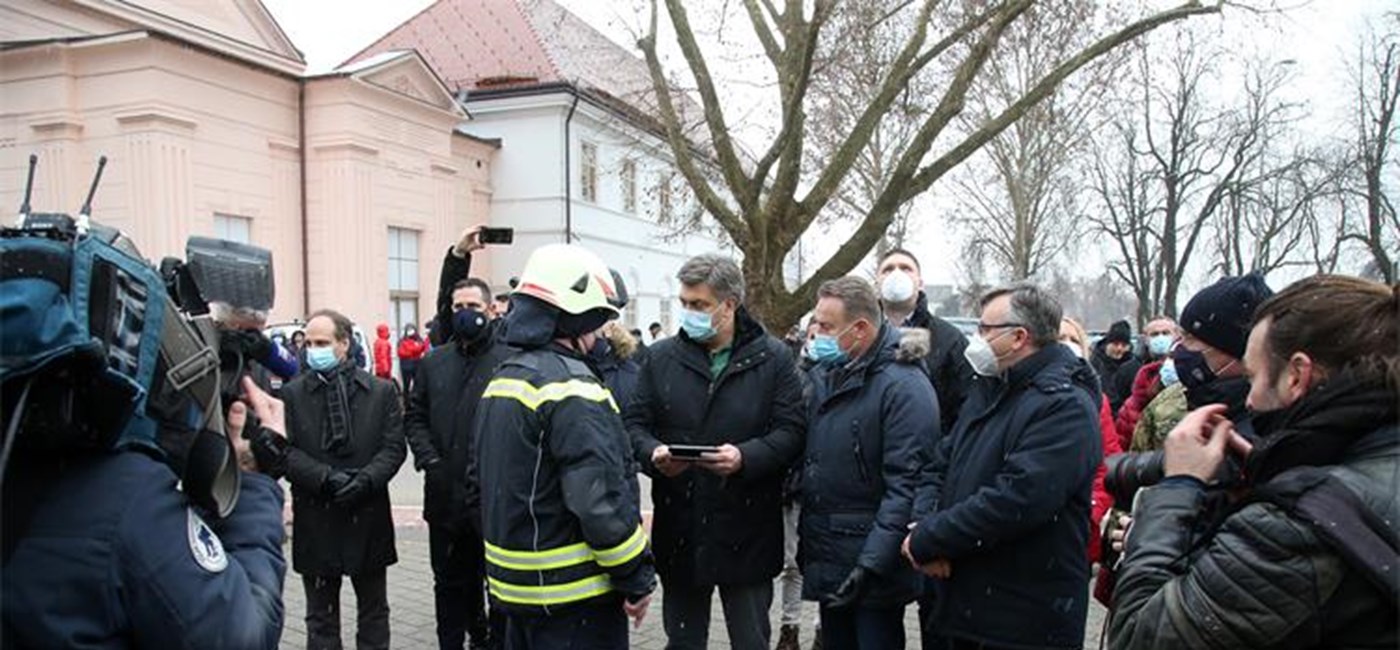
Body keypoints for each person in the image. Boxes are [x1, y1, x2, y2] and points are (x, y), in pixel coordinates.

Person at [1109, 275, 1399, 648]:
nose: (1248, 400)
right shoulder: (1365, 463)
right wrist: (1271, 472)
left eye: (1253, 376)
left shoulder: (1294, 529)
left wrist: (1176, 491)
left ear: (1296, 375)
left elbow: (1141, 636)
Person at [475, 244, 655, 649]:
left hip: (513, 597)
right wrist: (636, 576)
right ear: (577, 316)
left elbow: (479, 483)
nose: (597, 336)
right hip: (575, 604)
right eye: (598, 321)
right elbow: (599, 502)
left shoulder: (505, 379)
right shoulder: (574, 388)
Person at [903, 283, 1101, 650]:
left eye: (984, 330)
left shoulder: (1064, 406)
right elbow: (940, 463)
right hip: (960, 607)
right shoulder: (990, 389)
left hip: (1019, 620)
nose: (975, 339)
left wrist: (931, 539)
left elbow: (1018, 499)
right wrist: (923, 526)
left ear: (1018, 337)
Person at [627, 253, 805, 650]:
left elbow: (792, 432)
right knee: (684, 641)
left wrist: (746, 457)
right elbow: (633, 425)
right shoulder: (660, 358)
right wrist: (654, 454)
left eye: (699, 305)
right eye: (685, 303)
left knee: (750, 640)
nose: (689, 312)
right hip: (682, 526)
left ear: (729, 305)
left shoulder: (773, 358)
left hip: (748, 526)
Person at [799, 276, 935, 649]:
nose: (817, 335)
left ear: (860, 329)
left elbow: (906, 485)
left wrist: (871, 564)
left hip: (872, 568)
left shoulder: (903, 387)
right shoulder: (830, 373)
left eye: (826, 327)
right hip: (832, 555)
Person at [282, 309, 407, 650]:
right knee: (320, 618)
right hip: (316, 513)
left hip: (366, 514)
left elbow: (394, 448)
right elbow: (286, 452)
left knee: (374, 612)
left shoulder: (380, 392)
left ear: (344, 343)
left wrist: (365, 481)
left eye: (321, 342)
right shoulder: (293, 394)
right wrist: (325, 478)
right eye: (307, 343)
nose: (312, 349)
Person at [406, 278, 510, 650]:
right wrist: (429, 459)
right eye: (458, 307)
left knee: (497, 585)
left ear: (491, 311)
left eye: (474, 307)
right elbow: (414, 416)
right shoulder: (434, 361)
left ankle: (489, 641)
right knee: (449, 583)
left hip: (492, 498)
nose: (465, 314)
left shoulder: (508, 361)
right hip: (444, 495)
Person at [874, 248, 973, 433]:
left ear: (920, 284)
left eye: (905, 268)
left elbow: (966, 406)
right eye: (888, 269)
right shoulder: (861, 335)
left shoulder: (950, 339)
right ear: (877, 284)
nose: (896, 274)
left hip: (930, 453)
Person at [1060, 316, 1125, 567]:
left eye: (1074, 339)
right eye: (1060, 339)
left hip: (1077, 532)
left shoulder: (1097, 401)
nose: (1067, 345)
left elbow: (1107, 462)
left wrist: (1090, 512)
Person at [1112, 317, 1179, 446]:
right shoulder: (1128, 370)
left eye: (1165, 333)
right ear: (1146, 339)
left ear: (1175, 335)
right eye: (1154, 334)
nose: (1160, 338)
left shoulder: (1187, 368)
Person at [1092, 320, 1134, 413]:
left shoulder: (1132, 367)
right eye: (1115, 344)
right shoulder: (1094, 364)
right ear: (1108, 343)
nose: (1119, 348)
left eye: (1124, 345)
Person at [397, 323, 429, 395]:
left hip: (410, 365)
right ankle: (408, 401)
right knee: (410, 385)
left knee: (413, 385)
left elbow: (422, 348)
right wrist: (414, 351)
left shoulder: (403, 341)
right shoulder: (416, 340)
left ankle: (410, 401)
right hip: (411, 365)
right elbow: (420, 348)